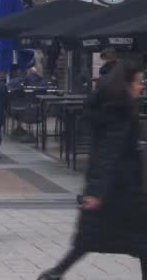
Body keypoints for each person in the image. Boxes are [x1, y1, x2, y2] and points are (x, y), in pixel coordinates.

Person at [38, 62, 147, 280]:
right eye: (138, 81)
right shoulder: (120, 113)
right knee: (103, 238)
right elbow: (109, 153)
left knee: (92, 238)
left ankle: (56, 273)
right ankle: (55, 273)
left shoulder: (113, 109)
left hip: (118, 188)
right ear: (126, 84)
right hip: (119, 190)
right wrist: (97, 192)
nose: (141, 86)